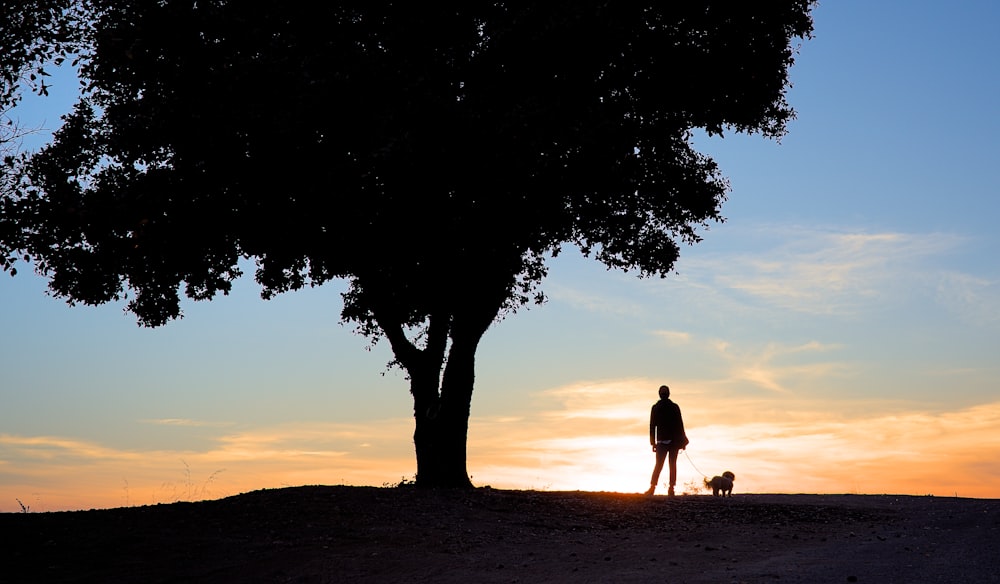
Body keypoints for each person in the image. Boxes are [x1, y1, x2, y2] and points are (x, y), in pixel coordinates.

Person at [645, 384, 689, 496]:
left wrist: (653, 443)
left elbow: (652, 426)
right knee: (670, 465)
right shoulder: (673, 407)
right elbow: (680, 424)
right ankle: (669, 488)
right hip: (669, 441)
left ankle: (656, 488)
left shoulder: (657, 407)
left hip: (666, 441)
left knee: (661, 465)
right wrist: (683, 440)